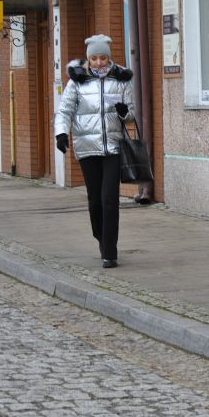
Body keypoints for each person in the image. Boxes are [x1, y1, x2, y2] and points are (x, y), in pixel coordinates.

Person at [55, 34, 135, 269]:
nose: (99, 62)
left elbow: (132, 113)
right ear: (88, 59)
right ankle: (100, 238)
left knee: (110, 200)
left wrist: (124, 112)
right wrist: (61, 133)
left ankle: (110, 251)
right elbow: (64, 110)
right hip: (87, 148)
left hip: (113, 147)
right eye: (94, 58)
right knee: (95, 201)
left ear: (109, 58)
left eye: (103, 58)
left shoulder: (121, 79)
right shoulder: (77, 81)